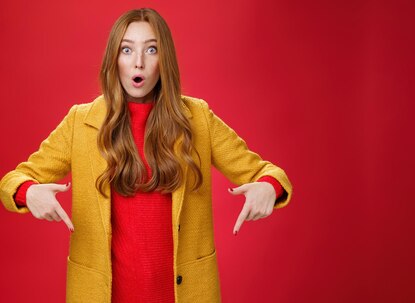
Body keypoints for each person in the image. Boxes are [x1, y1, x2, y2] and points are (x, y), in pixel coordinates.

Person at [0, 7, 292, 303]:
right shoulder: (81, 122)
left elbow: (266, 173)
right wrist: (30, 192)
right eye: (127, 50)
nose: (138, 62)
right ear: (114, 59)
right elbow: (14, 180)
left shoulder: (198, 118)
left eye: (151, 50)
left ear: (164, 60)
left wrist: (268, 187)